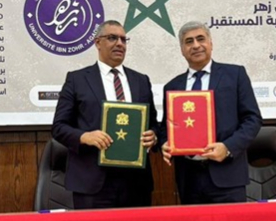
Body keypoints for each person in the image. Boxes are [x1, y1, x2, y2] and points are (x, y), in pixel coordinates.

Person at [52, 20, 158, 209]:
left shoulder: (141, 81)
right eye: (112, 38)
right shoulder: (77, 80)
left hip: (135, 183)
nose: (120, 44)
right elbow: (59, 127)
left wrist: (154, 136)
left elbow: (153, 124)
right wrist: (85, 136)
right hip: (92, 182)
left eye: (124, 39)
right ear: (97, 43)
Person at [159, 21, 262, 204]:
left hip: (227, 176)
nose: (196, 45)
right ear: (182, 50)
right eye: (189, 41)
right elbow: (165, 128)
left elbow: (252, 119)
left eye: (201, 39)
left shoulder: (235, 75)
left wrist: (228, 148)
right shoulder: (172, 87)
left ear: (210, 43)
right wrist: (165, 143)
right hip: (189, 180)